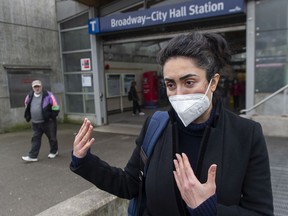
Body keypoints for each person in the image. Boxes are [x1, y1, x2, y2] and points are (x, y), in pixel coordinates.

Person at [70, 31, 274, 216]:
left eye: (189, 82)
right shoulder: (156, 126)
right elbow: (130, 184)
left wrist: (209, 211)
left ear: (213, 82)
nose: (178, 94)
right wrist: (85, 161)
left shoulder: (246, 134)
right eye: (170, 84)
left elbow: (261, 211)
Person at [22, 80, 60, 162]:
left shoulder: (48, 95)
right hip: (35, 123)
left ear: (41, 87)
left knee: (52, 137)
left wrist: (51, 117)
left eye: (38, 86)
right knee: (35, 139)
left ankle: (54, 151)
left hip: (48, 122)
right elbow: (26, 105)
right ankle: (33, 156)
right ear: (32, 88)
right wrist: (28, 116)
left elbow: (56, 107)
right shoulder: (29, 96)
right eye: (35, 87)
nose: (37, 88)